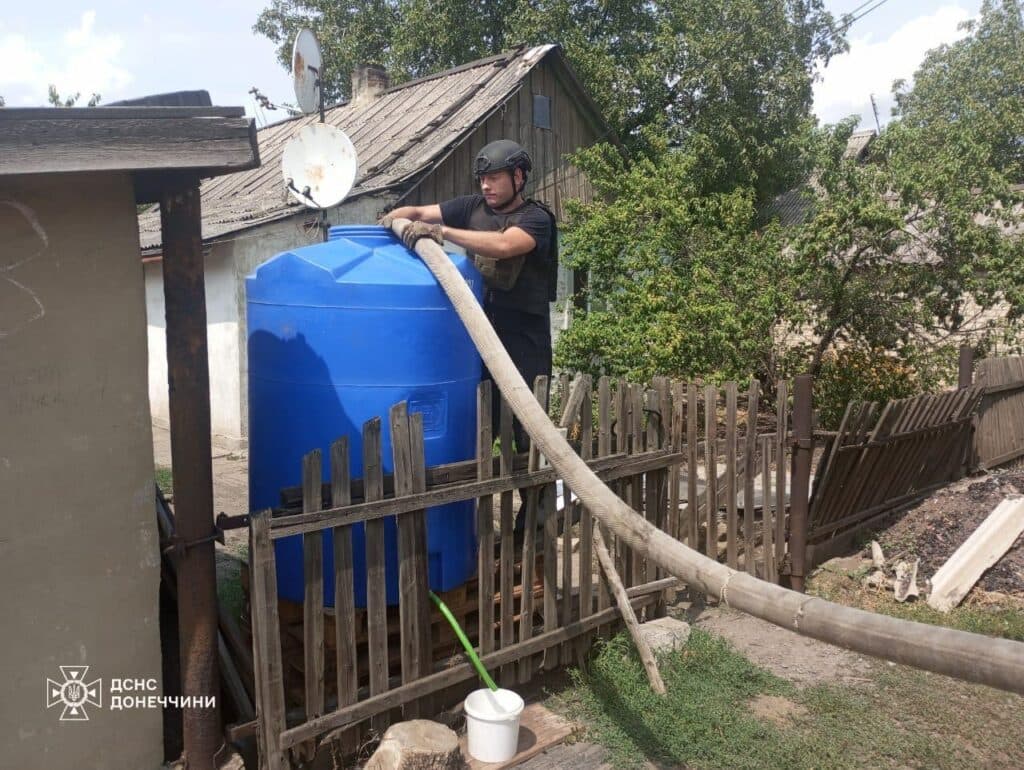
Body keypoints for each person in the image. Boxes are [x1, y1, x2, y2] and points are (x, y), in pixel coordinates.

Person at [381, 139, 557, 455]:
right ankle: (475, 505)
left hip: (524, 343)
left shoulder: (536, 219)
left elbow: (504, 245)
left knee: (529, 434)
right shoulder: (471, 207)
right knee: (479, 428)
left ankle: (536, 504)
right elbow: (420, 210)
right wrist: (392, 221)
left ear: (518, 177)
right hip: (479, 335)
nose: (486, 185)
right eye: (482, 179)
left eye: (494, 178)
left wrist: (443, 233)